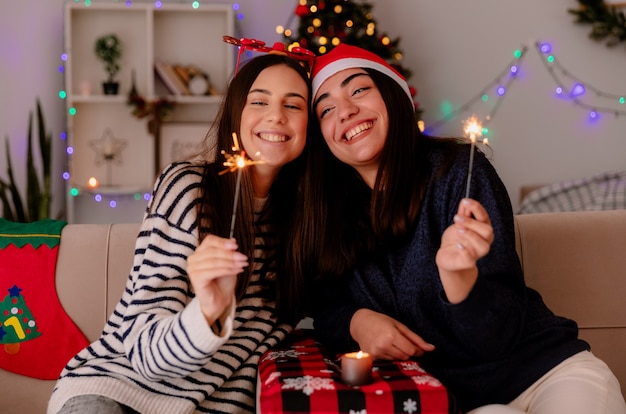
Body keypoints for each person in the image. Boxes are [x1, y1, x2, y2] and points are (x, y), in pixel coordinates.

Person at [304, 44, 626, 414]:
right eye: (326, 108)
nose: (345, 111)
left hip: (547, 375)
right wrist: (356, 321)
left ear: (392, 94)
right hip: (460, 403)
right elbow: (323, 305)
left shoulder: (458, 172)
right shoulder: (329, 213)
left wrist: (460, 281)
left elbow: (496, 337)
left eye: (358, 89)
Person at [48, 52, 313, 414]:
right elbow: (145, 356)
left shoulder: (309, 222)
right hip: (118, 391)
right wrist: (206, 313)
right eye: (259, 101)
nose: (276, 115)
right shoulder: (188, 188)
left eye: (294, 105)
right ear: (236, 112)